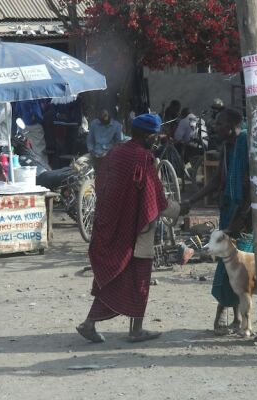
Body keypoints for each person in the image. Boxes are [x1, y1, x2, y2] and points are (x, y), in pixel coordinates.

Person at [77, 113, 179, 343]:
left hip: (113, 226)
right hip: (137, 230)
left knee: (113, 278)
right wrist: (180, 209)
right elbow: (156, 200)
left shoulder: (115, 152)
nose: (156, 140)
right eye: (154, 135)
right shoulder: (144, 158)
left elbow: (102, 184)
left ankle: (89, 323)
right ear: (145, 134)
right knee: (140, 279)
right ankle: (136, 330)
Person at [180, 108, 251, 335]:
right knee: (228, 265)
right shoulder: (227, 147)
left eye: (219, 124)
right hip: (229, 211)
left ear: (231, 126)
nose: (214, 127)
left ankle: (230, 317)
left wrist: (239, 219)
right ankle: (228, 317)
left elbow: (251, 185)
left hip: (245, 217)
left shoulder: (246, 144)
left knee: (238, 267)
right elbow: (218, 180)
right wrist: (191, 200)